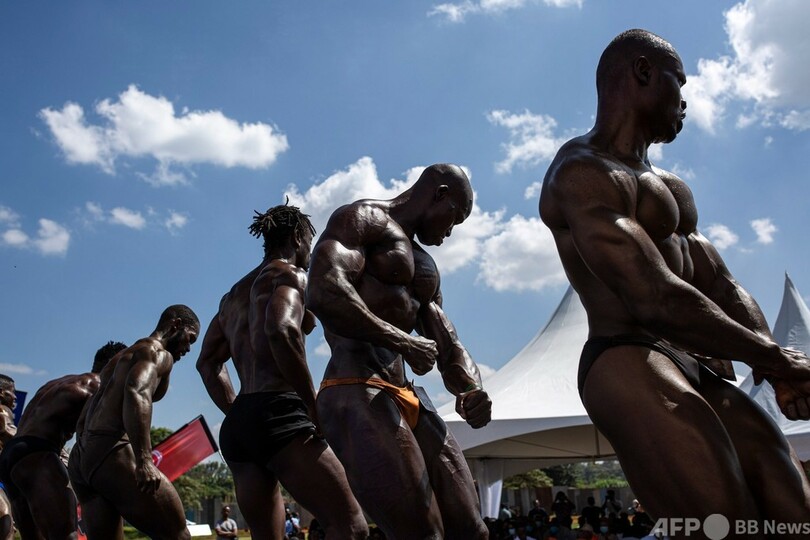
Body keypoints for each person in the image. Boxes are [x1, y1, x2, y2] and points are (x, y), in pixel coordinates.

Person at [539, 28, 810, 527]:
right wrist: (774, 357)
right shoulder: (583, 172)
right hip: (625, 353)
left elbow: (721, 285)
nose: (684, 103)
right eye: (679, 84)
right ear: (644, 71)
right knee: (724, 522)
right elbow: (653, 297)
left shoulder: (671, 188)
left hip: (691, 358)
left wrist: (775, 368)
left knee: (794, 509)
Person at [306, 163, 492, 539]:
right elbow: (323, 289)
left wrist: (471, 389)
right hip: (356, 386)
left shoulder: (425, 266)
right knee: (422, 534)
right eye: (454, 217)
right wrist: (402, 340)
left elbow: (446, 341)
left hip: (407, 394)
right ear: (439, 193)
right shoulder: (363, 220)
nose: (449, 233)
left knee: (473, 529)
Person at [196, 203, 367, 540]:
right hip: (281, 414)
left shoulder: (231, 298)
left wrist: (237, 410)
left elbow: (207, 363)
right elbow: (280, 329)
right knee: (351, 528)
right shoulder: (289, 274)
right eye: (309, 242)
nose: (310, 251)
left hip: (241, 424)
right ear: (297, 236)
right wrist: (312, 404)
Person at [68, 305, 200, 540]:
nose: (188, 348)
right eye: (190, 339)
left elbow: (87, 412)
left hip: (82, 458)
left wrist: (86, 452)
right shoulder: (157, 353)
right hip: (111, 450)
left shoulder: (119, 359)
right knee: (178, 535)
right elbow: (136, 392)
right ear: (176, 325)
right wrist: (144, 460)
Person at [0, 341, 125, 540]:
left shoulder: (59, 383)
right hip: (37, 453)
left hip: (11, 455)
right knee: (66, 535)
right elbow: (99, 439)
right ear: (117, 363)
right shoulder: (99, 385)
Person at [0, 375, 16, 540]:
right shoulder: (3, 411)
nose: (15, 397)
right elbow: (12, 435)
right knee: (5, 524)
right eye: (12, 392)